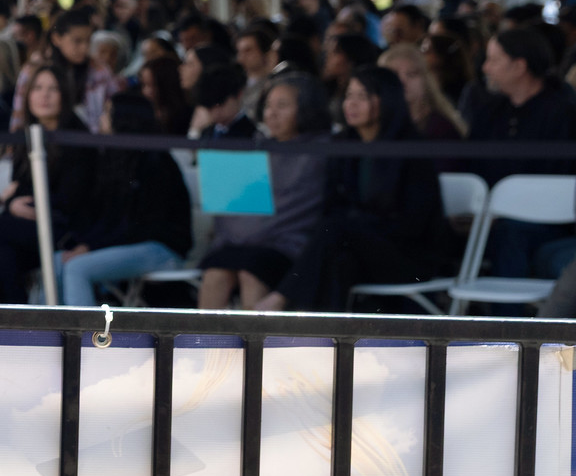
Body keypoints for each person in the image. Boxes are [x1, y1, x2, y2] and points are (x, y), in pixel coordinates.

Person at [255, 66, 455, 311]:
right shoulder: (344, 147)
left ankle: (281, 299)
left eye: (362, 96)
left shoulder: (411, 150)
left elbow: (414, 224)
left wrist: (360, 226)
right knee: (339, 259)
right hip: (356, 250)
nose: (351, 104)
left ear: (387, 99)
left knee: (339, 230)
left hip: (407, 255)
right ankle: (324, 340)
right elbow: (332, 206)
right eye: (349, 96)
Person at [0, 63, 95, 303]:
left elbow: (72, 201)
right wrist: (13, 205)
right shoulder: (25, 135)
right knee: (2, 256)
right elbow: (18, 191)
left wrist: (21, 205)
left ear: (65, 95)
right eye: (38, 88)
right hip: (28, 227)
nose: (45, 95)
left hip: (63, 229)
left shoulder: (77, 139)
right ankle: (15, 325)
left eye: (53, 89)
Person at [196, 74, 330, 309]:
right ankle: (201, 343)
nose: (272, 113)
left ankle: (255, 344)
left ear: (306, 107)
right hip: (242, 240)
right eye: (268, 106)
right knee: (215, 273)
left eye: (282, 106)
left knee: (252, 272)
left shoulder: (320, 151)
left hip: (287, 245)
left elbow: (298, 209)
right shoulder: (257, 146)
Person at [57, 91, 193, 306]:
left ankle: (81, 336)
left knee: (77, 268)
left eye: (108, 112)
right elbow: (109, 220)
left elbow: (140, 227)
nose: (101, 118)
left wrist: (91, 247)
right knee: (56, 261)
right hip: (127, 243)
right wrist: (84, 244)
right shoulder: (113, 160)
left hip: (160, 248)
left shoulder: (156, 163)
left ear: (125, 118)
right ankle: (49, 334)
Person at [466, 25, 576, 276]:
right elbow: (471, 164)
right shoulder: (488, 112)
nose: (485, 68)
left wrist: (500, 210)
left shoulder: (563, 114)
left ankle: (505, 315)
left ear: (519, 67)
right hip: (486, 218)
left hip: (545, 222)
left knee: (510, 234)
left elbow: (555, 179)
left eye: (493, 60)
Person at [377, 43, 466, 140]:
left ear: (425, 81)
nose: (402, 81)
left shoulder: (440, 129)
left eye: (411, 74)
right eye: (394, 75)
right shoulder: (378, 125)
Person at [189, 62, 257, 141]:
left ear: (238, 94)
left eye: (220, 104)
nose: (215, 112)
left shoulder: (253, 134)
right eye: (209, 107)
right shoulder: (205, 132)